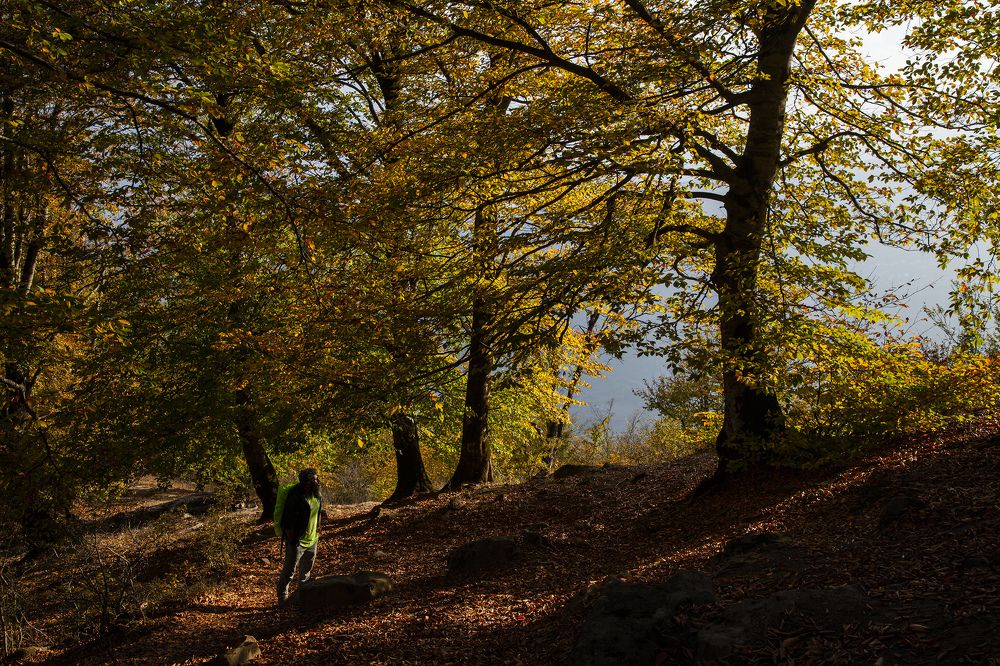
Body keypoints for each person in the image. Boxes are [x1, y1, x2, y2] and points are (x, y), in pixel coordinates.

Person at [274, 468, 323, 605]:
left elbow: (318, 511)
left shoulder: (317, 494)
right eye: (312, 479)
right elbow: (287, 521)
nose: (315, 482)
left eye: (316, 479)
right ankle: (282, 600)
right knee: (289, 572)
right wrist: (292, 540)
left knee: (306, 572)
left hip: (312, 539)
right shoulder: (295, 496)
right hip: (297, 541)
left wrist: (318, 529)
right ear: (304, 481)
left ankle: (302, 598)